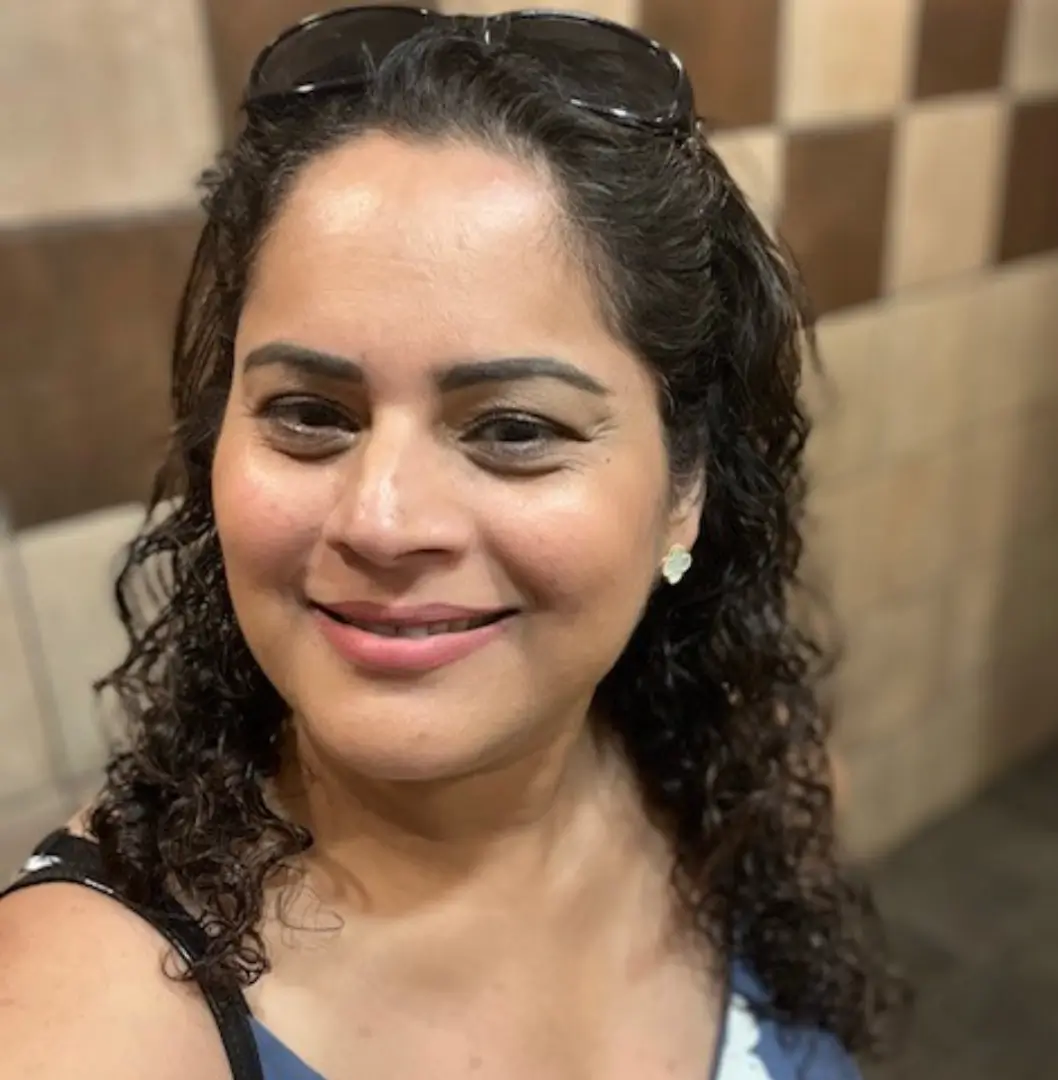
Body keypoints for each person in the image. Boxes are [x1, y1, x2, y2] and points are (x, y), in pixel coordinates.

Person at [0, 8, 907, 1079]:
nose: (382, 522)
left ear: (684, 489)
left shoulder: (749, 783)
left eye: (513, 429)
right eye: (309, 414)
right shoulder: (85, 1022)